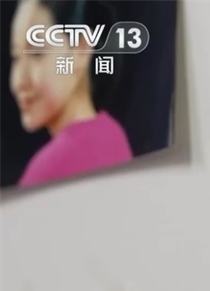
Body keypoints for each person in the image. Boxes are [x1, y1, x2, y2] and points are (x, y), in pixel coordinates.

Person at [8, 0, 132, 187]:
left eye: (36, 53)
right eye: (16, 57)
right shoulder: (113, 134)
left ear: (80, 51)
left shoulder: (50, 169)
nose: (19, 81)